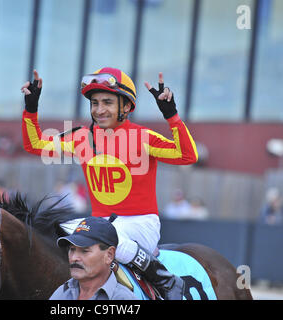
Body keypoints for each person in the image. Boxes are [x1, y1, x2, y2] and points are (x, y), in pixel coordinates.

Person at [21, 67, 198, 299]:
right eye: (94, 103)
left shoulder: (143, 137)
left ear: (126, 106)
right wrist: (31, 108)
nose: (99, 110)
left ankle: (164, 280)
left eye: (107, 102)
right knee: (58, 234)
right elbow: (35, 144)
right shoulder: (81, 137)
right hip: (99, 224)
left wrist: (171, 115)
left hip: (140, 224)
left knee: (107, 239)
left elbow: (188, 156)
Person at [50, 216, 137, 300]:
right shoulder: (61, 293)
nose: (74, 258)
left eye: (84, 251)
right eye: (72, 249)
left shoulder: (123, 298)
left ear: (109, 255)